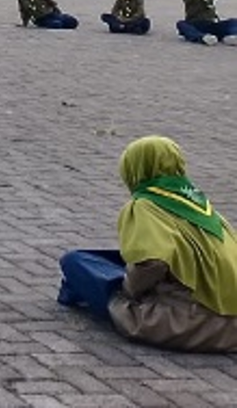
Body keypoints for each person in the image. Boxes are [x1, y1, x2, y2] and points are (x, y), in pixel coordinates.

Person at [58, 136, 237, 351]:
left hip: (194, 321)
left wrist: (127, 290)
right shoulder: (201, 205)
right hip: (227, 316)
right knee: (114, 258)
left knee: (75, 262)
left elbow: (152, 263)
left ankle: (75, 290)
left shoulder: (145, 205)